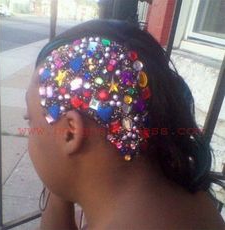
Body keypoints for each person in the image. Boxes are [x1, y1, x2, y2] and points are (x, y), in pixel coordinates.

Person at [24, 20, 225, 230]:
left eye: (30, 120)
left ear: (70, 132)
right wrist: (59, 174)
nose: (30, 130)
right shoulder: (186, 196)